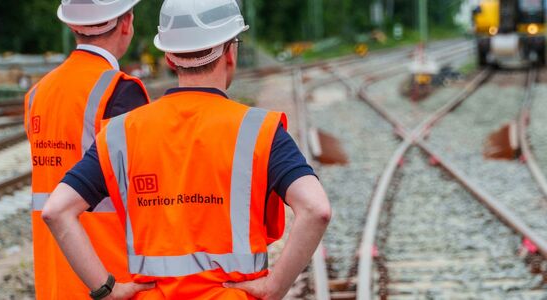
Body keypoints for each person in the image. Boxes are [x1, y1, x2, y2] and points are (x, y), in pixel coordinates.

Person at [41, 0, 332, 299]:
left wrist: (107, 290)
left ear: (169, 57)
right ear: (230, 52)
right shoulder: (260, 131)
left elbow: (57, 210)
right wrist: (275, 287)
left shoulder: (119, 133)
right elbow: (316, 209)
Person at [25, 0, 148, 299]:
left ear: (71, 25)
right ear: (127, 23)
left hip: (54, 278)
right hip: (111, 279)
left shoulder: (37, 93)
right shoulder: (120, 92)